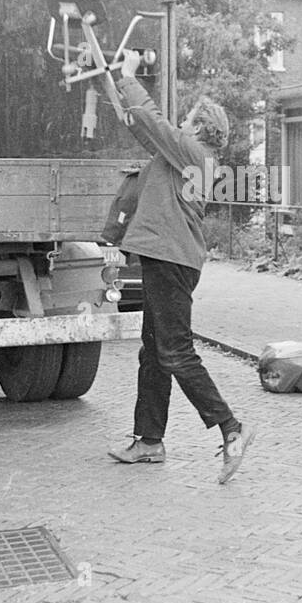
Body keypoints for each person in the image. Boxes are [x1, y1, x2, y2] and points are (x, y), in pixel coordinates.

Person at [106, 49, 255, 484]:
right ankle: (149, 441)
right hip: (167, 259)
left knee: (174, 351)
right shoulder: (183, 159)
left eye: (186, 120)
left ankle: (232, 428)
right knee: (154, 353)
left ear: (199, 128)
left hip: (171, 260)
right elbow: (145, 128)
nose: (181, 125)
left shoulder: (194, 154)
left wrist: (129, 76)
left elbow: (153, 124)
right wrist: (120, 87)